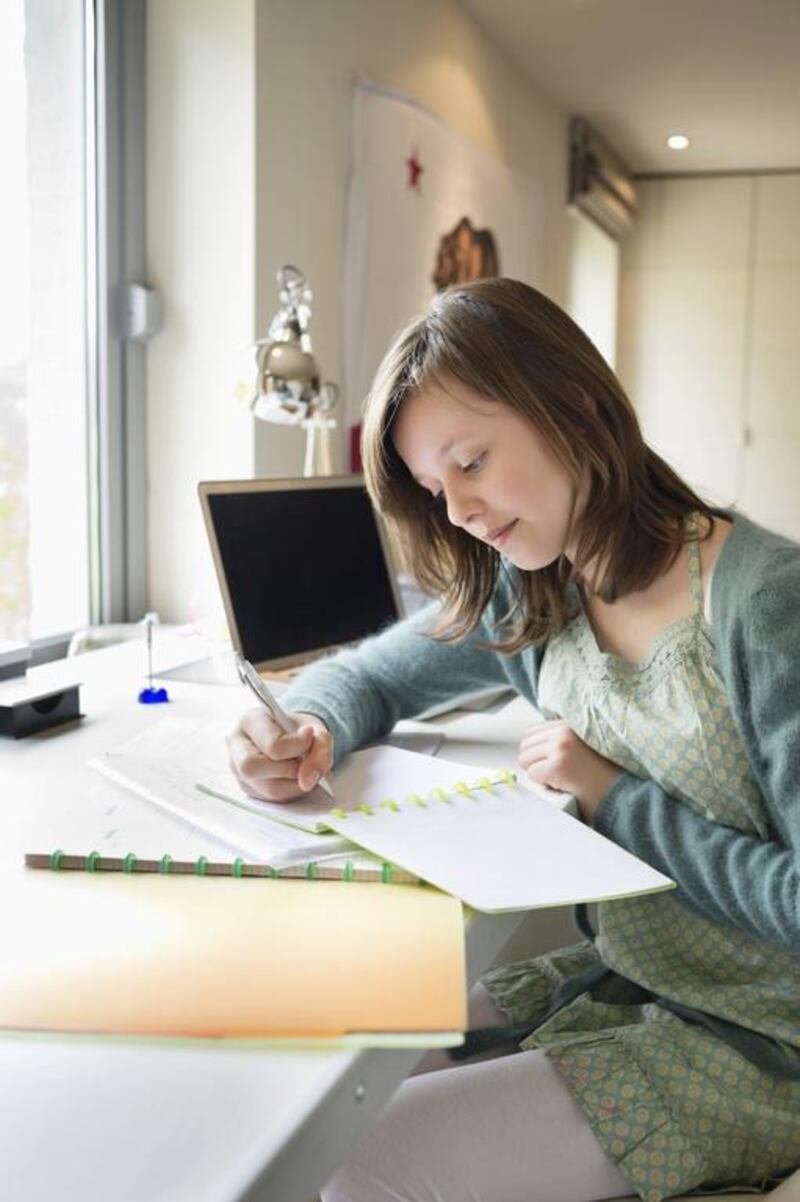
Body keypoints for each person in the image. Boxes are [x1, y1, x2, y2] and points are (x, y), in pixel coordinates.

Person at [226, 278, 800, 1202]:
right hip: (633, 982)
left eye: (473, 462)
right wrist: (303, 725)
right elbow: (371, 672)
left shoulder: (765, 606)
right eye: (432, 487)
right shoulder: (536, 585)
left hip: (769, 1039)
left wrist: (616, 799)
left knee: (366, 1160)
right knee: (330, 1078)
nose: (458, 511)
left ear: (572, 406)